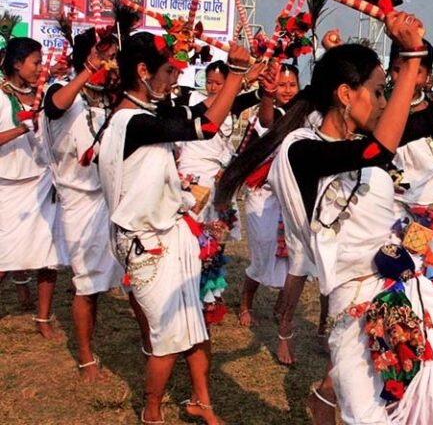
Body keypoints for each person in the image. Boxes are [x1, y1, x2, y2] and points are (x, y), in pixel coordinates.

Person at [217, 7, 433, 424]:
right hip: (355, 307)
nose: (383, 103)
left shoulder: (368, 139)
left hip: (411, 295)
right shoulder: (302, 150)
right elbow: (378, 150)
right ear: (346, 94)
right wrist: (410, 58)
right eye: (378, 92)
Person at [98, 32, 252, 424]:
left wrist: (246, 87)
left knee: (194, 326)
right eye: (168, 71)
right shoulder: (133, 122)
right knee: (168, 335)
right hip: (146, 244)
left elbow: (197, 111)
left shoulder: (144, 116)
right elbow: (206, 125)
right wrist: (235, 72)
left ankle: (202, 402)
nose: (174, 78)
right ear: (143, 71)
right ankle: (152, 411)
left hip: (170, 234)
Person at [40, 27, 124, 381]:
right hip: (78, 204)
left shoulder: (105, 98)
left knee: (108, 283)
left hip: (109, 201)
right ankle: (87, 359)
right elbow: (54, 107)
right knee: (86, 284)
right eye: (106, 54)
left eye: (113, 56)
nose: (112, 61)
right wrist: (89, 70)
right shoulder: (62, 92)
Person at [0, 37, 68, 339]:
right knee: (3, 255)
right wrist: (20, 128)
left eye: (41, 63)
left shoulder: (44, 94)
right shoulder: (1, 96)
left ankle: (43, 318)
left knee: (48, 255)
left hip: (42, 180)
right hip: (8, 186)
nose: (40, 68)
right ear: (17, 64)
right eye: (35, 62)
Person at [238, 63, 301, 334]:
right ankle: (246, 303)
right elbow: (267, 121)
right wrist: (267, 95)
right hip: (262, 195)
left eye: (291, 85)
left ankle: (281, 308)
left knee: (293, 256)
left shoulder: (304, 115)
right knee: (263, 252)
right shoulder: (267, 114)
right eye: (281, 85)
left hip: (291, 197)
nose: (286, 90)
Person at [176, 60, 262, 239]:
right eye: (209, 82)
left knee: (217, 227)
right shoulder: (191, 100)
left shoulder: (234, 103)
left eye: (218, 83)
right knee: (189, 222)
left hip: (217, 172)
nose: (213, 87)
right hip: (190, 168)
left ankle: (212, 253)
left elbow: (260, 95)